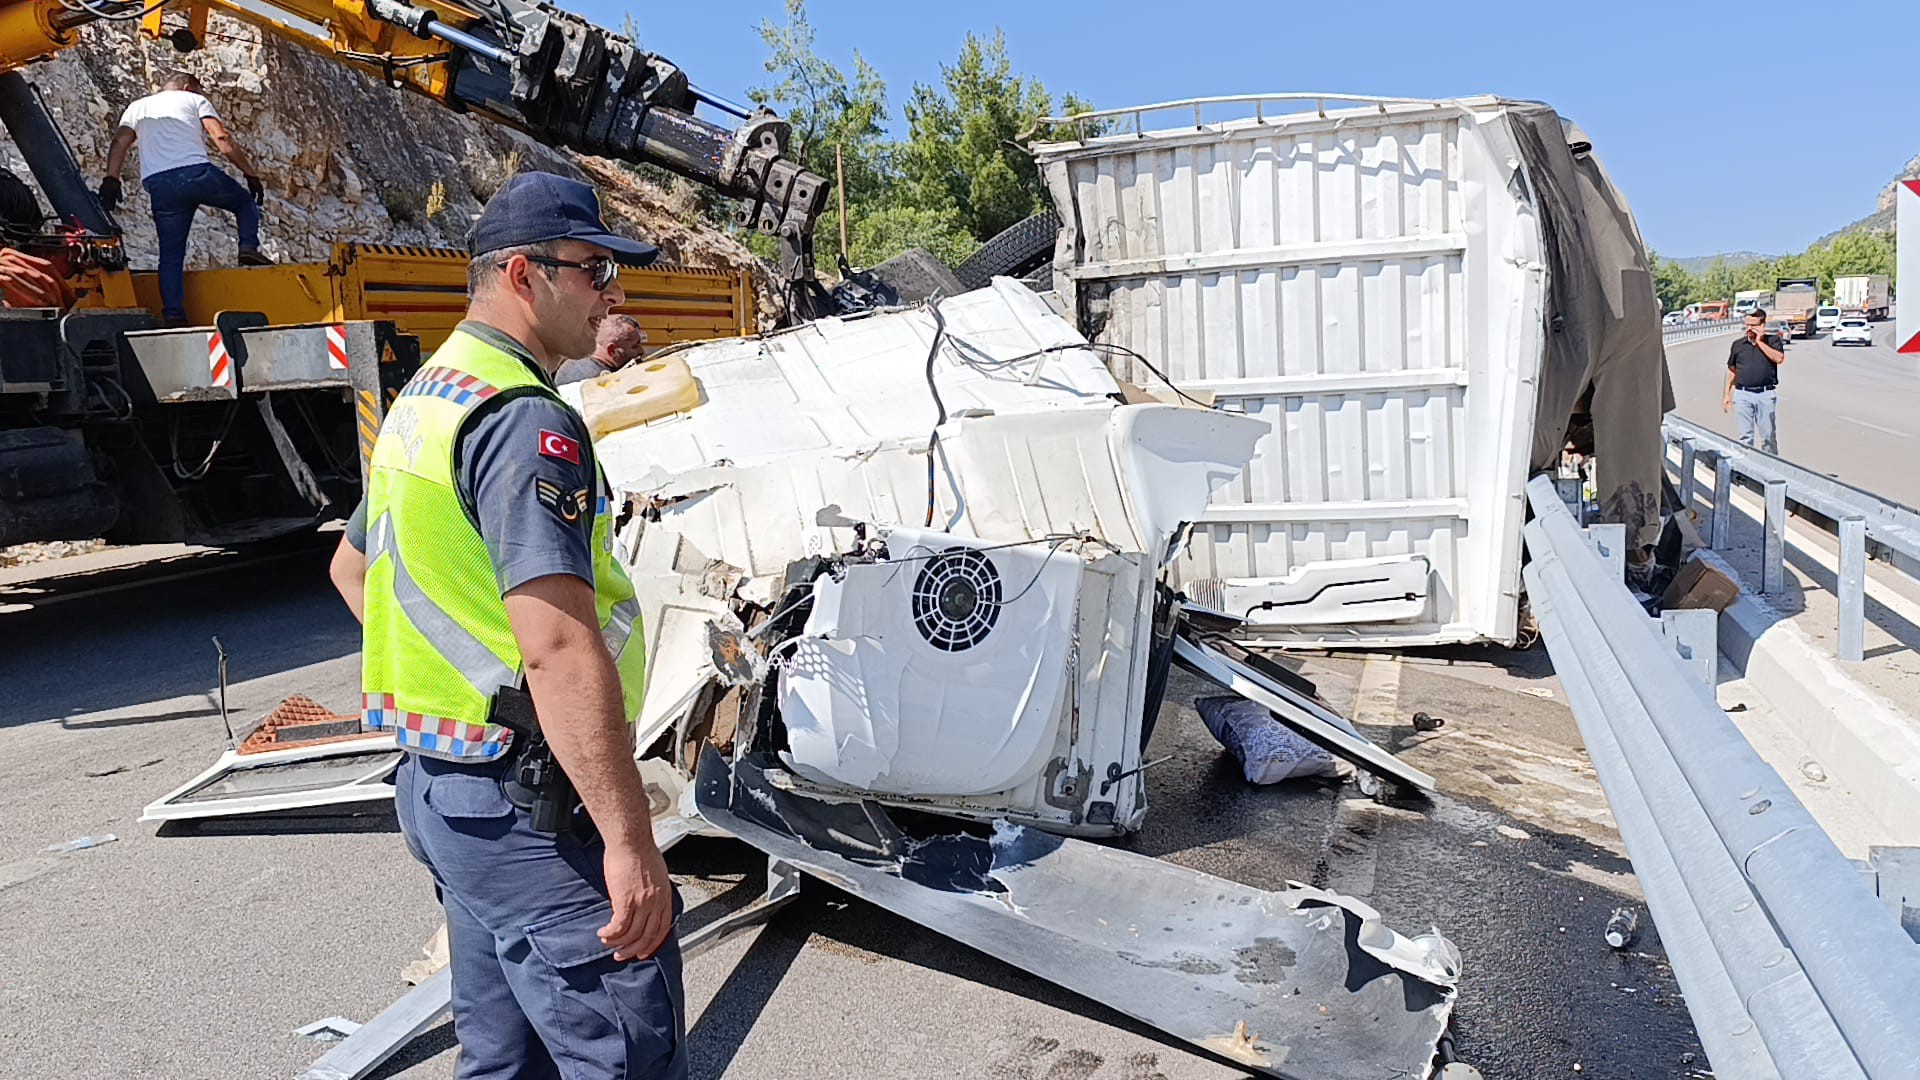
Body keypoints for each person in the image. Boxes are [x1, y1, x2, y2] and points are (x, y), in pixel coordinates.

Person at [328, 171, 684, 1078]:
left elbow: (352, 568)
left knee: (502, 1059)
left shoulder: (429, 398)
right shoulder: (524, 422)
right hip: (528, 810)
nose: (615, 294)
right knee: (623, 1051)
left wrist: (465, 688)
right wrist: (629, 840)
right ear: (524, 275)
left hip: (449, 797)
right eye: (595, 270)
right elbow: (557, 646)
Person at [96, 71, 271, 327]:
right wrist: (250, 174)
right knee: (244, 203)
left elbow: (120, 141)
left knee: (170, 256)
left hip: (159, 184)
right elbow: (221, 138)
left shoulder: (137, 107)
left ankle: (174, 314)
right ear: (188, 87)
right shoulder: (194, 100)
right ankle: (247, 249)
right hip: (195, 173)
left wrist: (112, 178)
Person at [1723, 307, 1786, 455]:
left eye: (1754, 325)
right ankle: (1746, 470)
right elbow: (1732, 370)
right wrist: (1727, 394)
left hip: (1765, 394)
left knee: (1768, 436)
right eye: (1748, 325)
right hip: (1743, 394)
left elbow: (1779, 358)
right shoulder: (1738, 345)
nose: (1750, 328)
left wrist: (1759, 342)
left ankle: (1770, 467)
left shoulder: (1773, 340)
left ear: (1762, 325)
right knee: (1745, 437)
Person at [556, 312, 649, 385]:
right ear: (612, 351)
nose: (641, 351)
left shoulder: (580, 362)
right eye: (634, 346)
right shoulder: (593, 380)